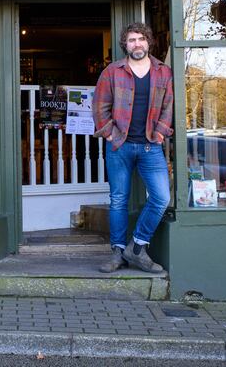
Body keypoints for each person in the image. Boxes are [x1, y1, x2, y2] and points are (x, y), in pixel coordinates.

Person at [92, 22, 174, 273]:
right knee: (118, 200)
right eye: (131, 40)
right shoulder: (112, 71)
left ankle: (137, 247)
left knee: (161, 198)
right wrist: (109, 135)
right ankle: (117, 253)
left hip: (150, 145)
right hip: (120, 146)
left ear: (148, 42)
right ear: (124, 45)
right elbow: (99, 107)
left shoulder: (163, 72)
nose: (137, 44)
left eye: (141, 39)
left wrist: (160, 133)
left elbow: (169, 106)